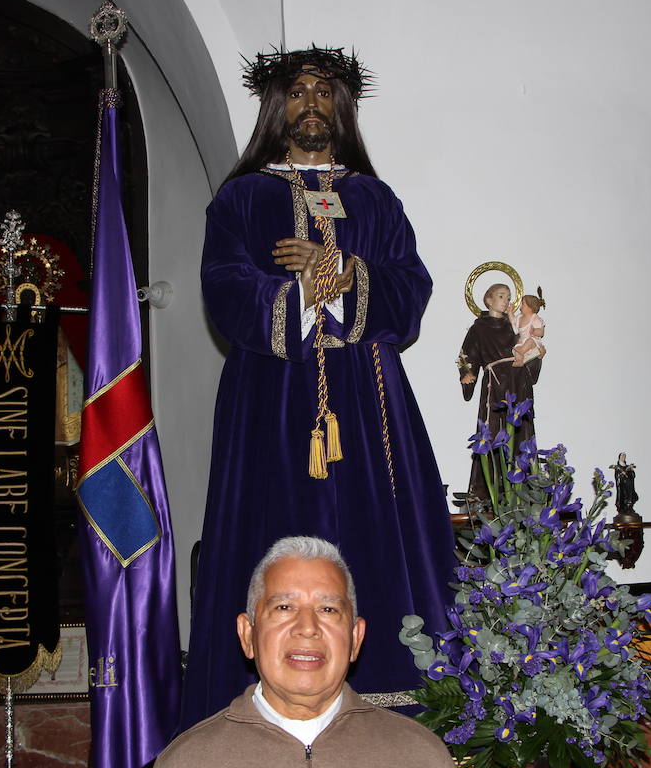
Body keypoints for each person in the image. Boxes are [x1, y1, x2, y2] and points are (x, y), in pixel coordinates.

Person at [183, 47, 455, 726]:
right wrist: (303, 290)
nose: (312, 103)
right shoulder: (242, 199)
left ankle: (399, 705)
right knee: (267, 530)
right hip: (271, 401)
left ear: (343, 108)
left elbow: (410, 289)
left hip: (368, 407)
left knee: (383, 535)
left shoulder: (374, 198)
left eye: (324, 92)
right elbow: (225, 289)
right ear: (278, 107)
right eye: (299, 92)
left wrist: (344, 274)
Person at [112, 537, 499, 768]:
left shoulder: (422, 756)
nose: (308, 627)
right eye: (284, 606)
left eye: (328, 609)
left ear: (355, 638)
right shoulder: (183, 765)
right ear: (247, 634)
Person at [457, 282, 542, 497]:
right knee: (492, 432)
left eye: (509, 296)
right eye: (502, 296)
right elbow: (465, 357)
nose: (506, 301)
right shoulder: (479, 328)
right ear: (489, 300)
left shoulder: (514, 325)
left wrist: (535, 357)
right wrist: (467, 374)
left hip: (517, 380)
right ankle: (487, 492)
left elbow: (530, 340)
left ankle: (525, 491)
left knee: (521, 433)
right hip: (495, 384)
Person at [510, 291, 546, 366]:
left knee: (529, 341)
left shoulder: (535, 318)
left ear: (530, 306)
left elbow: (541, 332)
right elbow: (514, 326)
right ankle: (520, 361)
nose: (520, 307)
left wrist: (535, 331)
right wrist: (510, 312)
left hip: (533, 341)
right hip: (522, 341)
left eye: (523, 304)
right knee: (516, 347)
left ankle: (525, 351)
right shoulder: (519, 317)